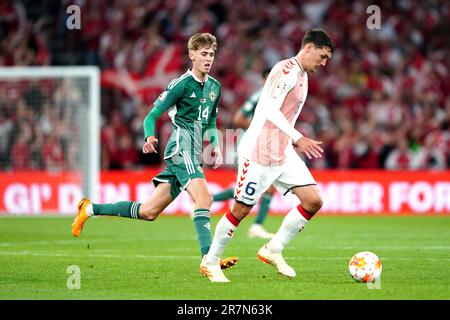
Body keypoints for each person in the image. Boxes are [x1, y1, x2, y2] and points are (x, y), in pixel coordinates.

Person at [71, 32, 237, 273]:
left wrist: (215, 145)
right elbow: (151, 116)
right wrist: (150, 135)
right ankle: (208, 260)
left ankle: (89, 209)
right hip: (181, 147)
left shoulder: (215, 87)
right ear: (191, 55)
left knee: (148, 212)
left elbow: (211, 121)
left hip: (195, 150)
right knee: (204, 199)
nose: (208, 58)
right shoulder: (180, 84)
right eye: (203, 54)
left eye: (211, 54)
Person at [200, 29, 334, 282]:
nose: (324, 63)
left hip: (282, 151)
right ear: (308, 48)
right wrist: (298, 137)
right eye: (323, 56)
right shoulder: (286, 71)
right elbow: (268, 108)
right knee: (241, 209)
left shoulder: (303, 75)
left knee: (313, 201)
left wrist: (288, 139)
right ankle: (210, 261)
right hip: (259, 152)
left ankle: (273, 249)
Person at [212, 68, 276, 239]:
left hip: (265, 147)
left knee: (269, 186)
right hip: (250, 148)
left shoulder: (276, 98)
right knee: (247, 189)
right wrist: (261, 128)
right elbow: (239, 119)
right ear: (264, 81)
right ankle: (205, 200)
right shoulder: (259, 95)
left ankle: (256, 226)